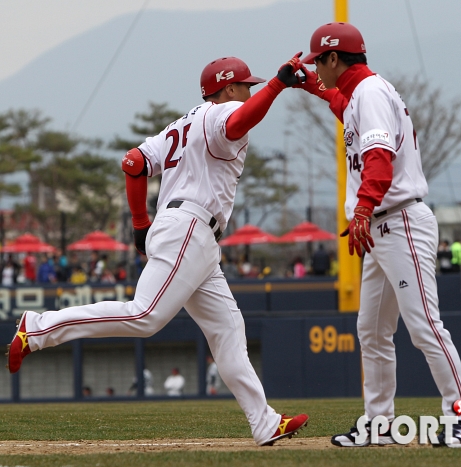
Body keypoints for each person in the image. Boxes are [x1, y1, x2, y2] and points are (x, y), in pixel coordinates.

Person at [7, 54, 308, 446]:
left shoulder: (181, 124)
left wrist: (139, 223)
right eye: (245, 85)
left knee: (228, 330)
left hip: (191, 234)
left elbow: (133, 162)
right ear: (229, 89)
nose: (249, 91)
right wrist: (278, 85)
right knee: (145, 315)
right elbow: (238, 120)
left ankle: (263, 421)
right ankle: (38, 327)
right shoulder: (224, 111)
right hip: (190, 228)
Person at [295, 22, 461, 448]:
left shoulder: (371, 93)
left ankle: (460, 420)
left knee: (425, 326)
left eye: (319, 60)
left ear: (335, 58)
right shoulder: (361, 93)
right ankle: (380, 424)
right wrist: (313, 88)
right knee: (372, 331)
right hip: (379, 226)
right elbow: (343, 105)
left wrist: (362, 206)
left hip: (399, 222)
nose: (316, 67)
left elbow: (379, 157)